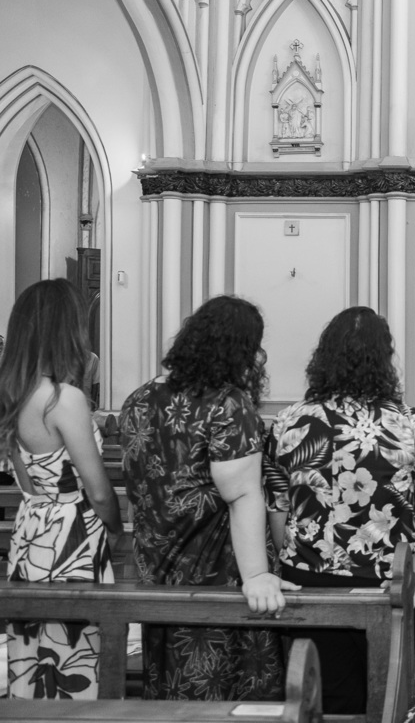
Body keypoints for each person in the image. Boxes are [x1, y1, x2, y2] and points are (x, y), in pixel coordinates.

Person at [265, 307, 415, 714]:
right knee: (389, 697)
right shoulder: (411, 424)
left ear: (324, 357)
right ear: (384, 359)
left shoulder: (286, 422)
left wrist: (305, 560)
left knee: (326, 703)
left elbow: (278, 509)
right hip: (387, 584)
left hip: (307, 583)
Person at [120, 295, 297, 701]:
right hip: (214, 561)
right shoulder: (226, 403)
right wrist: (256, 576)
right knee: (226, 676)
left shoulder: (138, 398)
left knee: (170, 672)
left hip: (157, 554)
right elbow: (243, 495)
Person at [0, 279, 122, 699]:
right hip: (72, 532)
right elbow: (100, 492)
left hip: (30, 526)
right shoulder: (61, 398)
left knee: (32, 649)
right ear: (65, 328)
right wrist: (117, 530)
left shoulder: (11, 394)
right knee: (74, 651)